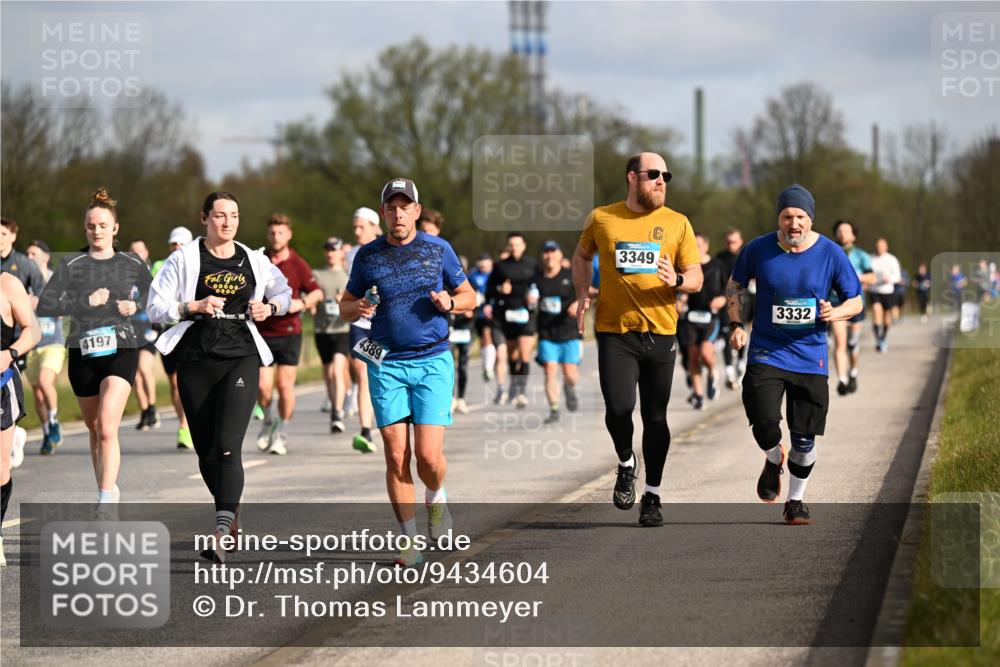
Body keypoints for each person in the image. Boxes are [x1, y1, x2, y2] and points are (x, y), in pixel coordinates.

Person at [147, 191, 291, 563]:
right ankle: (230, 510)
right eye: (220, 215)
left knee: (228, 446)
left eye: (234, 215)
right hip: (195, 359)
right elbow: (155, 307)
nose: (227, 222)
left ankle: (221, 529)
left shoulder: (253, 259)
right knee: (207, 451)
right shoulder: (184, 258)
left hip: (240, 358)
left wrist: (271, 306)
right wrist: (191, 306)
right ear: (204, 219)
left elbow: (284, 293)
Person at [340, 177, 476, 567]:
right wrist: (357, 308)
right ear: (383, 212)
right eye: (391, 207)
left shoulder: (438, 249)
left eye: (405, 207)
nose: (398, 214)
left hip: (432, 360)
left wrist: (451, 301)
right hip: (386, 362)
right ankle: (409, 543)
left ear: (417, 210)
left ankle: (436, 496)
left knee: (428, 458)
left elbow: (470, 296)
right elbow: (345, 306)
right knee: (396, 454)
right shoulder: (368, 256)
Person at [571, 152, 703, 527]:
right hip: (616, 331)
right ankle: (627, 461)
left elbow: (696, 277)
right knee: (618, 408)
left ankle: (653, 496)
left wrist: (678, 280)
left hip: (661, 332)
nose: (661, 181)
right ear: (632, 177)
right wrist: (582, 292)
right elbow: (581, 256)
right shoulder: (602, 218)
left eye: (666, 176)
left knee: (656, 417)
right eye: (654, 174)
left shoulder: (677, 223)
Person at [727, 184, 862, 525]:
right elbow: (734, 285)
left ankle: (795, 500)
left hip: (810, 356)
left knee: (804, 439)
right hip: (767, 351)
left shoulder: (831, 253)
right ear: (779, 218)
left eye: (801, 216)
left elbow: (856, 300)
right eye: (787, 216)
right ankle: (774, 458)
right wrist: (736, 324)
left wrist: (836, 313)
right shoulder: (758, 249)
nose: (794, 223)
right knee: (764, 422)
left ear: (810, 219)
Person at [36, 188, 152, 511]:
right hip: (83, 352)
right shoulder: (72, 263)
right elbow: (45, 305)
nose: (97, 231)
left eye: (103, 225)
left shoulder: (131, 262)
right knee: (94, 428)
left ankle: (105, 503)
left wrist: (135, 305)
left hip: (122, 348)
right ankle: (107, 488)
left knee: (107, 426)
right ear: (84, 229)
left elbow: (155, 296)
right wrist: (84, 301)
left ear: (115, 228)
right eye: (91, 226)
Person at [254, 214, 323, 456]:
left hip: (289, 332)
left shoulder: (298, 264)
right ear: (267, 235)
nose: (276, 237)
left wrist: (301, 303)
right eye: (273, 232)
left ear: (289, 235)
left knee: (284, 386)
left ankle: (281, 433)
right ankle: (268, 421)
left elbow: (316, 293)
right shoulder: (259, 261)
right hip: (262, 333)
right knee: (262, 387)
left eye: (281, 232)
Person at [1, 272, 41, 565]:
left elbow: (33, 330)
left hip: (1, 384)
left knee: (0, 467)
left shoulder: (7, 284)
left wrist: (10, 353)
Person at [1, 217, 44, 468]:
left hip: (13, 347)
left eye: (3, 234)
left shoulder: (21, 269)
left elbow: (43, 296)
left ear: (13, 236)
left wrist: (9, 353)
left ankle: (16, 431)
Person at [485, 233, 540, 408]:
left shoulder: (532, 265)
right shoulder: (500, 266)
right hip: (506, 315)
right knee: (512, 356)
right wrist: (500, 289)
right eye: (511, 245)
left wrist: (535, 295)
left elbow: (541, 284)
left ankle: (521, 392)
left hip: (527, 314)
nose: (514, 247)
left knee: (524, 354)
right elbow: (489, 290)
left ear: (524, 245)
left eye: (518, 244)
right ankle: (514, 385)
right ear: (508, 247)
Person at [345, 207, 383, 453]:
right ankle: (366, 430)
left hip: (384, 325)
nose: (357, 232)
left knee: (383, 372)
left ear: (374, 227)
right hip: (360, 325)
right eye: (355, 227)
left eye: (361, 227)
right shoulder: (351, 255)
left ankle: (395, 421)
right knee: (362, 371)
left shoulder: (386, 249)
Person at [153, 227, 195, 448]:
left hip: (189, 331)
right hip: (167, 332)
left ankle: (192, 423)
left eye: (181, 244)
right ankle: (183, 426)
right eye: (173, 244)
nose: (177, 247)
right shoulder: (159, 266)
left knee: (191, 381)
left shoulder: (197, 265)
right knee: (175, 382)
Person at [25, 241, 68, 455]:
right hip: (30, 345)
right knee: (38, 394)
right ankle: (46, 434)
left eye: (34, 253)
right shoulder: (23, 282)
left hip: (53, 343)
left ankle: (53, 421)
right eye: (27, 254)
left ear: (46, 257)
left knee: (44, 381)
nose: (29, 257)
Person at [535, 240, 580, 424]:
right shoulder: (536, 278)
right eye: (546, 252)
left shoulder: (570, 275)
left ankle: (569, 388)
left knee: (570, 373)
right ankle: (554, 408)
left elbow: (584, 294)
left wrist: (577, 304)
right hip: (547, 332)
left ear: (560, 254)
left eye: (553, 251)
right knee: (550, 370)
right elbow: (528, 296)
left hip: (569, 330)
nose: (549, 255)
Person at [829, 220, 875, 396]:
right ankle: (842, 379)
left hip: (855, 303)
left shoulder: (861, 255)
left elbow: (872, 278)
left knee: (852, 343)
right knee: (839, 341)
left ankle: (853, 372)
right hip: (835, 303)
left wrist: (853, 277)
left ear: (853, 235)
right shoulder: (829, 252)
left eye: (846, 231)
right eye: (839, 231)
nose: (842, 234)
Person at [312, 236, 351, 433]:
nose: (330, 253)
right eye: (327, 250)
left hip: (342, 329)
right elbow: (309, 297)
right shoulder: (317, 275)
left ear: (341, 252)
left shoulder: (348, 276)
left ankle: (337, 412)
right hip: (322, 329)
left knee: (337, 370)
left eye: (334, 250)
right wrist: (313, 303)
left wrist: (344, 299)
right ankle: (334, 401)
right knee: (328, 374)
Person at [684, 234, 727, 410]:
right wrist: (680, 300)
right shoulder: (685, 265)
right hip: (690, 317)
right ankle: (699, 395)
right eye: (693, 245)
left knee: (706, 354)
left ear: (706, 246)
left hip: (710, 317)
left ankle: (712, 373)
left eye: (699, 245)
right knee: (693, 358)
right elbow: (678, 287)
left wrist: (722, 299)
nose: (696, 248)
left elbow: (729, 288)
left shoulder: (717, 265)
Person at [129, 239, 161, 431]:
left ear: (146, 252)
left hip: (149, 329)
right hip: (130, 330)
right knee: (134, 375)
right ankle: (144, 411)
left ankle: (152, 407)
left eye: (139, 251)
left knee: (143, 367)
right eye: (132, 251)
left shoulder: (153, 275)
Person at [714, 229, 748, 389]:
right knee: (727, 333)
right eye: (728, 242)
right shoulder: (720, 259)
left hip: (744, 301)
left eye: (734, 241)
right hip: (725, 301)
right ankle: (729, 371)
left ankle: (741, 362)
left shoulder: (747, 257)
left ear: (740, 241)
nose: (731, 245)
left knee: (741, 331)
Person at [469, 253, 505, 387]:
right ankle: (488, 367)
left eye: (485, 261)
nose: (483, 264)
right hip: (481, 314)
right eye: (481, 261)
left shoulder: (497, 274)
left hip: (499, 314)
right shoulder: (473, 275)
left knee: (500, 348)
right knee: (486, 335)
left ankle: (496, 376)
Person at [868, 237, 902, 353]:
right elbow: (866, 273)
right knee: (876, 312)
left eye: (882, 246)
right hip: (874, 291)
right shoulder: (870, 258)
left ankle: (883, 338)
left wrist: (889, 279)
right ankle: (878, 340)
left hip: (887, 291)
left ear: (886, 247)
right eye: (878, 246)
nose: (880, 248)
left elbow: (897, 276)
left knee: (887, 318)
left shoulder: (891, 259)